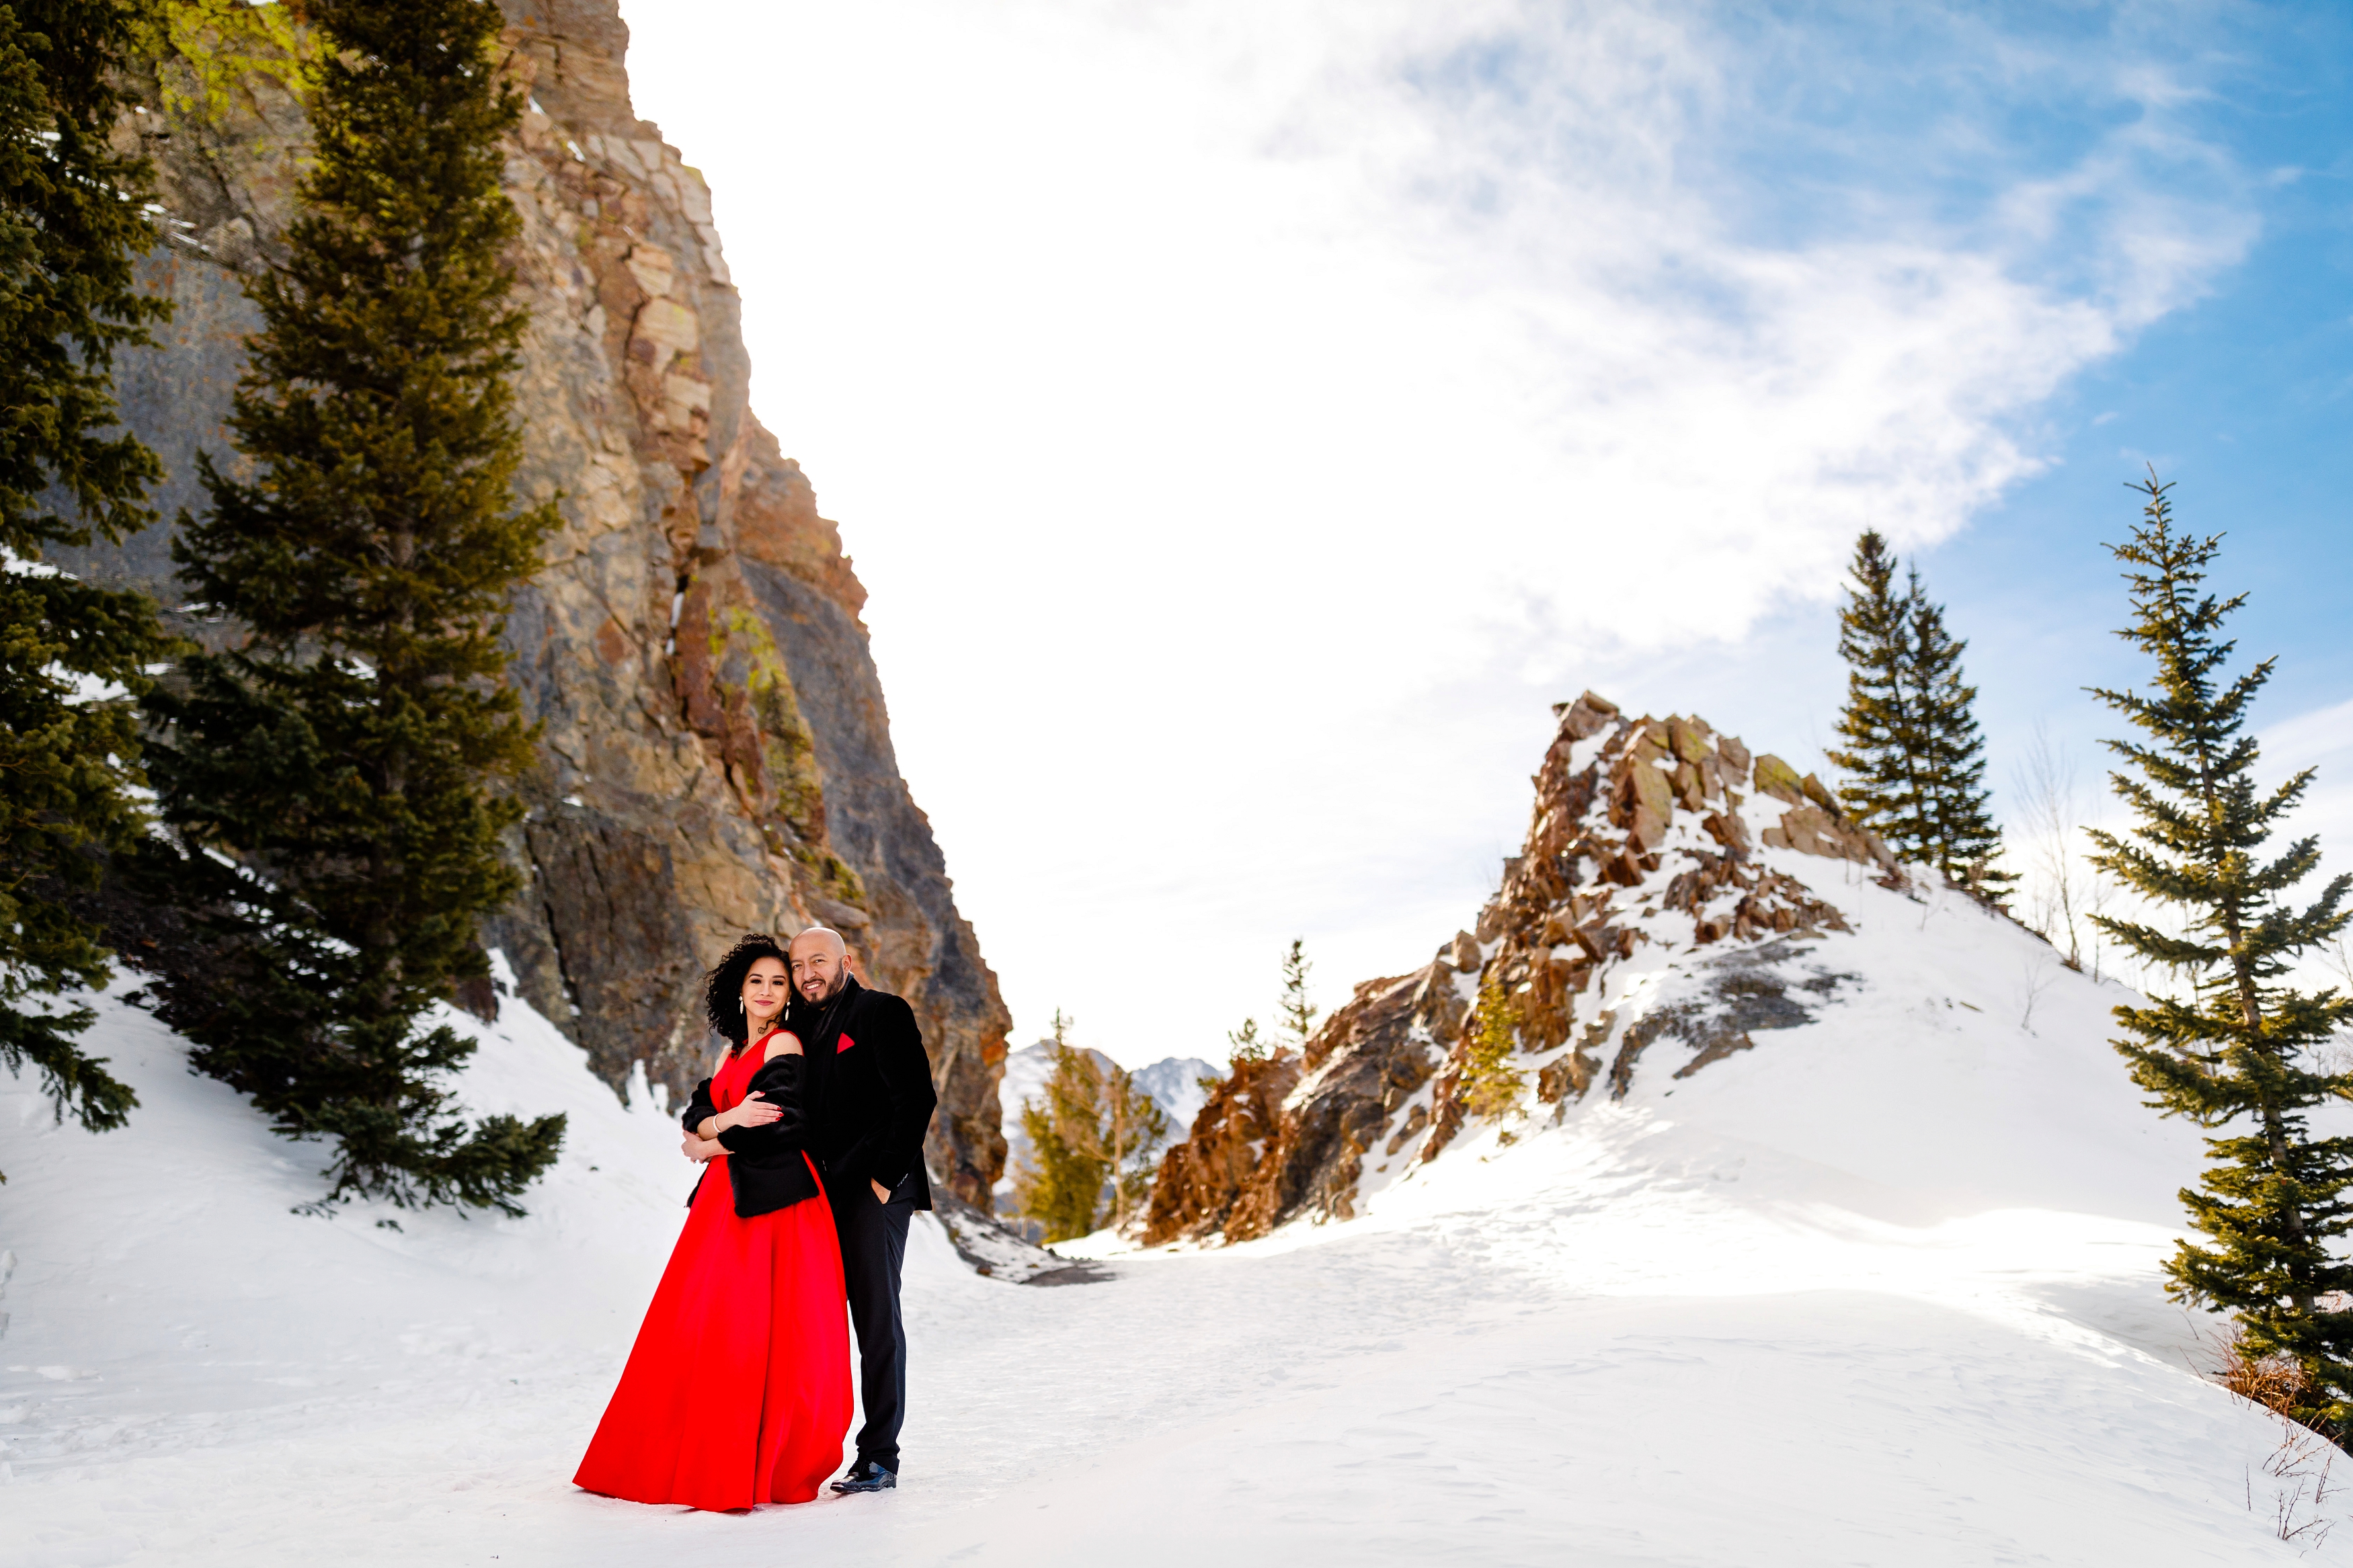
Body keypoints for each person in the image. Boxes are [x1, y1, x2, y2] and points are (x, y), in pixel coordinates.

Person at [573, 934, 852, 1510]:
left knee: (750, 1332)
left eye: (780, 982)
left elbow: (779, 1127)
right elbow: (695, 1111)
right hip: (726, 1203)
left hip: (777, 1206)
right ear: (740, 990)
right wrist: (720, 1124)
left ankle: (742, 1463)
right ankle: (683, 1455)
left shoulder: (786, 1045)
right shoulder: (731, 1051)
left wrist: (707, 1145)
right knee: (701, 1326)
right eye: (758, 981)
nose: (770, 991)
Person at [786, 925, 939, 1495]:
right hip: (813, 1197)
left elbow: (915, 1098)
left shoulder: (881, 1011)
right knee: (813, 1322)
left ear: (845, 961)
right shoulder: (794, 1027)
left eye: (819, 960)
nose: (808, 973)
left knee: (875, 1319)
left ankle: (879, 1455)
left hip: (874, 1191)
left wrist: (882, 1178)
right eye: (799, 964)